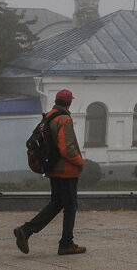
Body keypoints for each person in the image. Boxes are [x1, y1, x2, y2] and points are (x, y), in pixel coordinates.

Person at [13, 89, 86, 256]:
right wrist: (79, 162)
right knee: (70, 207)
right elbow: (67, 148)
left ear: (56, 100)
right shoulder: (64, 119)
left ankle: (26, 230)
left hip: (52, 168)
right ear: (69, 102)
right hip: (66, 171)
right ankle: (66, 244)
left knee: (56, 203)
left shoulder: (48, 116)